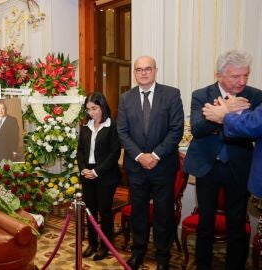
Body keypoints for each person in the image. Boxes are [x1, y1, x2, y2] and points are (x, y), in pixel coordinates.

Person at [184, 49, 262, 270]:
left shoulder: (256, 96)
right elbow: (198, 129)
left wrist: (221, 116)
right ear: (220, 75)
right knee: (205, 221)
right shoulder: (202, 94)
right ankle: (202, 265)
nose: (242, 81)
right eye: (235, 76)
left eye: (246, 75)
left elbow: (254, 131)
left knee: (237, 223)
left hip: (239, 166)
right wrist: (226, 111)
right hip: (207, 165)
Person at [117, 56, 184, 270]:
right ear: (134, 73)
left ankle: (163, 257)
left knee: (163, 213)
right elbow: (122, 132)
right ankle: (138, 253)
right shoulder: (125, 98)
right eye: (139, 69)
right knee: (138, 212)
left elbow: (176, 130)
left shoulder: (171, 94)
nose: (143, 73)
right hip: (136, 168)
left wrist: (154, 156)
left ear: (155, 71)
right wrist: (140, 156)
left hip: (163, 166)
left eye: (148, 69)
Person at [76, 92, 120, 261]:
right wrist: (83, 170)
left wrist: (96, 172)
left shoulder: (112, 126)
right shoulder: (85, 126)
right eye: (88, 109)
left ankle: (105, 246)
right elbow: (80, 151)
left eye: (94, 108)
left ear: (102, 106)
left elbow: (114, 153)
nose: (91, 113)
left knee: (104, 211)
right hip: (87, 173)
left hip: (106, 175)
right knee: (90, 211)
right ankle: (92, 243)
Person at [203, 101, 262, 198]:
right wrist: (236, 112)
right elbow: (257, 120)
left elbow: (255, 124)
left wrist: (225, 116)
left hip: (240, 165)